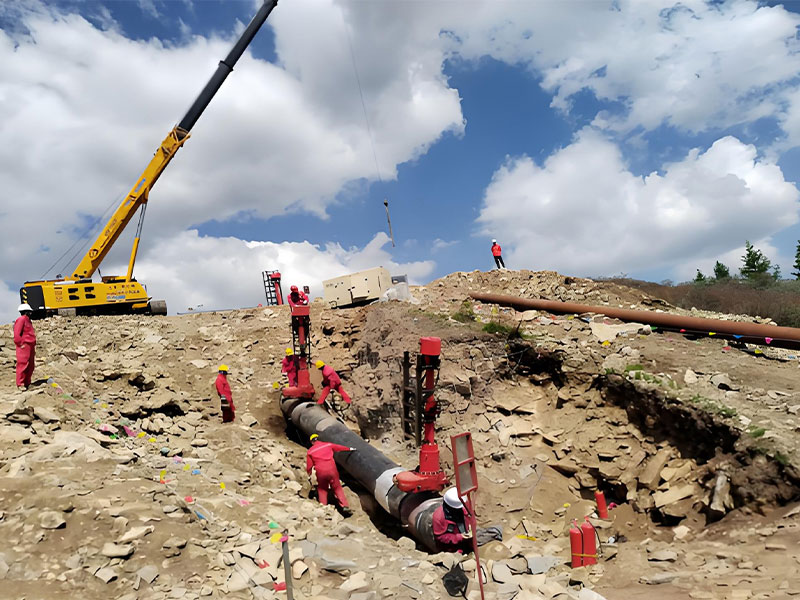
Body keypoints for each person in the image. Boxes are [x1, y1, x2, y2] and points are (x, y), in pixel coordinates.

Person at [306, 433, 355, 510]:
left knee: (322, 489)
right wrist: (350, 449)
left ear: (312, 442)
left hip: (321, 472)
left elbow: (309, 466)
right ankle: (345, 506)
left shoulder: (310, 451)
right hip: (332, 470)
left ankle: (323, 506)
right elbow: (339, 448)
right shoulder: (328, 445)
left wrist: (309, 473)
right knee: (337, 487)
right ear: (318, 439)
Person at [432, 488, 473, 553]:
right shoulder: (439, 517)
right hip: (453, 546)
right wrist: (459, 537)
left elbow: (469, 515)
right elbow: (440, 537)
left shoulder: (463, 505)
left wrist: (470, 526)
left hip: (467, 536)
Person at [13, 303, 36, 391]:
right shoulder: (21, 319)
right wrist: (20, 344)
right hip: (24, 345)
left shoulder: (28, 320)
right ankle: (20, 383)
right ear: (27, 312)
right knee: (23, 364)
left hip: (30, 345)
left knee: (30, 365)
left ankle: (27, 382)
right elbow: (17, 334)